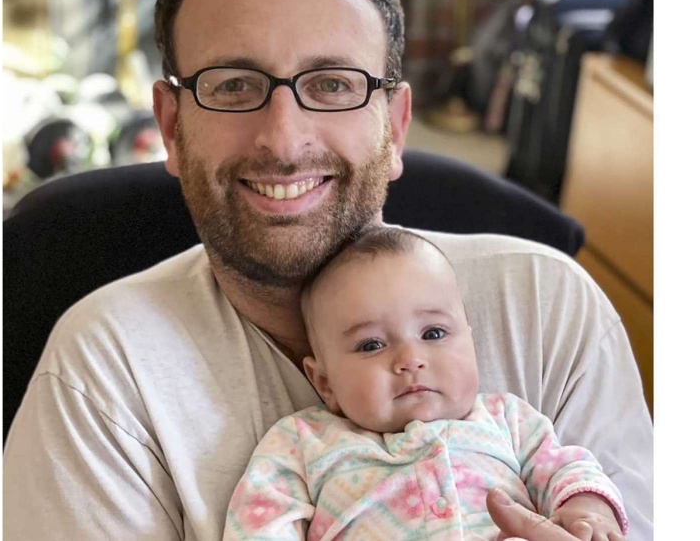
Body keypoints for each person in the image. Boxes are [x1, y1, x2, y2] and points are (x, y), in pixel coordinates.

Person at [2, 0, 654, 541]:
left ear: (396, 126)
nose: (284, 140)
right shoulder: (103, 376)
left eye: (334, 83)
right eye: (233, 84)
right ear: (172, 126)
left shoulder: (552, 310)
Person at [224, 227, 628, 541]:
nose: (409, 360)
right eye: (371, 345)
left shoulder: (508, 420)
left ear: (470, 340)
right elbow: (261, 519)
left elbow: (567, 468)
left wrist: (588, 509)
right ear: (324, 381)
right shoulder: (304, 443)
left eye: (433, 334)